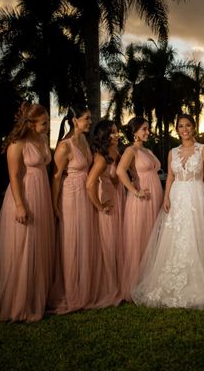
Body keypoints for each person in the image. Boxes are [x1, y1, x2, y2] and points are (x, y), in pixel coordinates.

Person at [132, 114, 204, 310]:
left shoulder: (203, 149)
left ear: (193, 127)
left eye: (188, 125)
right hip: (177, 196)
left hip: (196, 194)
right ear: (177, 128)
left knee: (195, 235)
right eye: (181, 126)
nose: (184, 129)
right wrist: (166, 197)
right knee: (174, 236)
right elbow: (171, 176)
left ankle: (197, 281)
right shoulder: (173, 152)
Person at [0, 102, 55, 322]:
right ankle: (19, 302)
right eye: (44, 123)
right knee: (24, 247)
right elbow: (14, 176)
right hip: (25, 196)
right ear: (31, 123)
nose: (47, 126)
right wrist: (20, 205)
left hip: (41, 195)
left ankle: (36, 297)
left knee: (39, 245)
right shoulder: (17, 144)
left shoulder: (41, 140)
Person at [49, 105, 105, 313]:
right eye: (87, 119)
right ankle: (71, 291)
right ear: (74, 120)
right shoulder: (65, 146)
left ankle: (85, 288)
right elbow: (56, 177)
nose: (90, 122)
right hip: (70, 195)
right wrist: (54, 204)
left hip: (85, 194)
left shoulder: (84, 140)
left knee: (85, 238)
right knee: (71, 240)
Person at [116, 117, 163, 302]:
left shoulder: (147, 150)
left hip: (155, 198)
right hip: (141, 201)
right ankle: (135, 285)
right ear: (134, 132)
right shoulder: (131, 150)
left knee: (153, 238)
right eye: (144, 129)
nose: (147, 132)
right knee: (140, 239)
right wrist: (135, 191)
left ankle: (149, 282)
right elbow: (120, 171)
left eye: (148, 128)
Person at [86, 120, 125, 305]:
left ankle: (121, 281)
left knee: (119, 242)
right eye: (112, 133)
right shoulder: (101, 158)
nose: (117, 135)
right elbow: (90, 183)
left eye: (117, 131)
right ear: (104, 136)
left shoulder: (115, 152)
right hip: (108, 202)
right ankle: (110, 287)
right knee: (109, 244)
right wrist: (99, 206)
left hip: (118, 199)